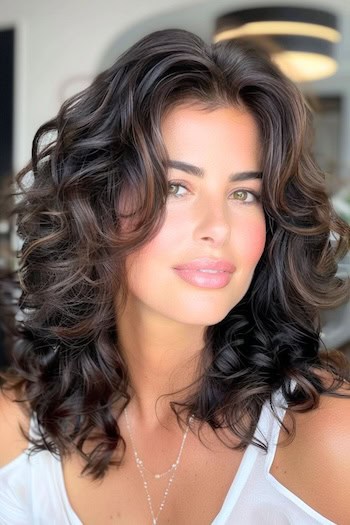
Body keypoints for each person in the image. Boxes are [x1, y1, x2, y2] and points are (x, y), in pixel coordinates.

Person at [0, 28, 350, 525]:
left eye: (243, 194)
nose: (217, 228)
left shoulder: (328, 437)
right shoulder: (16, 435)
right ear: (97, 203)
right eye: (176, 187)